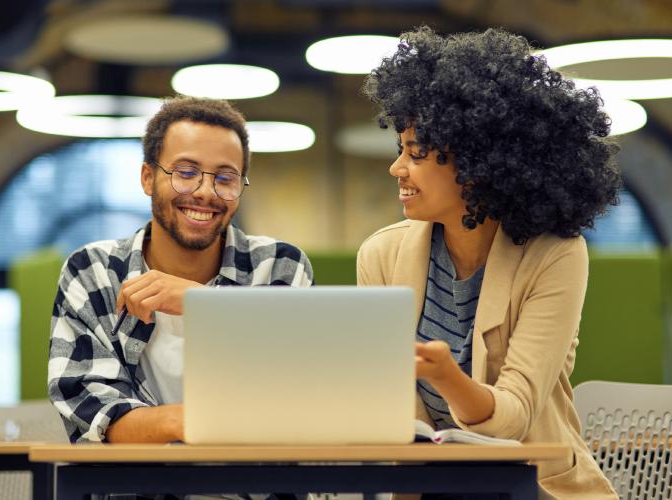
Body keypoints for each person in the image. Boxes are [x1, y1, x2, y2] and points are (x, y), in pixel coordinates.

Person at [357, 27, 620, 498]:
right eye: (401, 150)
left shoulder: (554, 254)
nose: (397, 168)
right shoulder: (382, 255)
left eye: (415, 153)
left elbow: (514, 416)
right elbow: (392, 409)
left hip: (534, 488)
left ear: (479, 165)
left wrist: (445, 376)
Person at [48, 97, 313, 444]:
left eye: (225, 177)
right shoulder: (94, 272)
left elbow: (298, 394)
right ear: (147, 177)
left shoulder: (278, 266)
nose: (205, 192)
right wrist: (190, 421)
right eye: (185, 173)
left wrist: (202, 303)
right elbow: (95, 417)